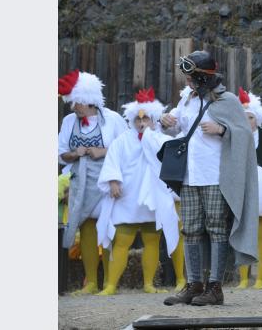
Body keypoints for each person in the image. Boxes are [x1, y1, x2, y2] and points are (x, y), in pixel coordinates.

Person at [160, 50, 259, 306]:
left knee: (216, 229)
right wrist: (165, 120)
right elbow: (175, 127)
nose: (187, 82)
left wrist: (221, 129)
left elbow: (245, 134)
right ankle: (194, 285)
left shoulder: (227, 100)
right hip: (189, 176)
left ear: (202, 77)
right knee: (191, 230)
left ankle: (215, 287)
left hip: (216, 176)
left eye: (190, 77)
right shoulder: (187, 100)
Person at [95, 87, 179, 295]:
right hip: (127, 198)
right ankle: (111, 285)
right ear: (132, 120)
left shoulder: (162, 140)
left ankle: (149, 284)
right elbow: (112, 160)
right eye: (138, 120)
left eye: (147, 119)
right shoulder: (122, 140)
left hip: (152, 197)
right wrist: (113, 181)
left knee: (152, 240)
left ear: (153, 120)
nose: (142, 124)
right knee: (122, 240)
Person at [58, 69, 129, 295]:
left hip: (107, 181)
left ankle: (110, 282)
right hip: (81, 182)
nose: (73, 107)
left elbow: (126, 150)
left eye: (76, 102)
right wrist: (75, 153)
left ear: (89, 100)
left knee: (108, 230)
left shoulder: (113, 120)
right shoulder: (69, 121)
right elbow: (60, 154)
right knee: (87, 229)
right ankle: (91, 283)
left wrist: (103, 151)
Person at [235, 87, 262, 289]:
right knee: (242, 233)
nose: (247, 121)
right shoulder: (234, 136)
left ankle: (260, 278)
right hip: (241, 187)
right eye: (244, 117)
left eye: (250, 117)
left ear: (257, 118)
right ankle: (243, 279)